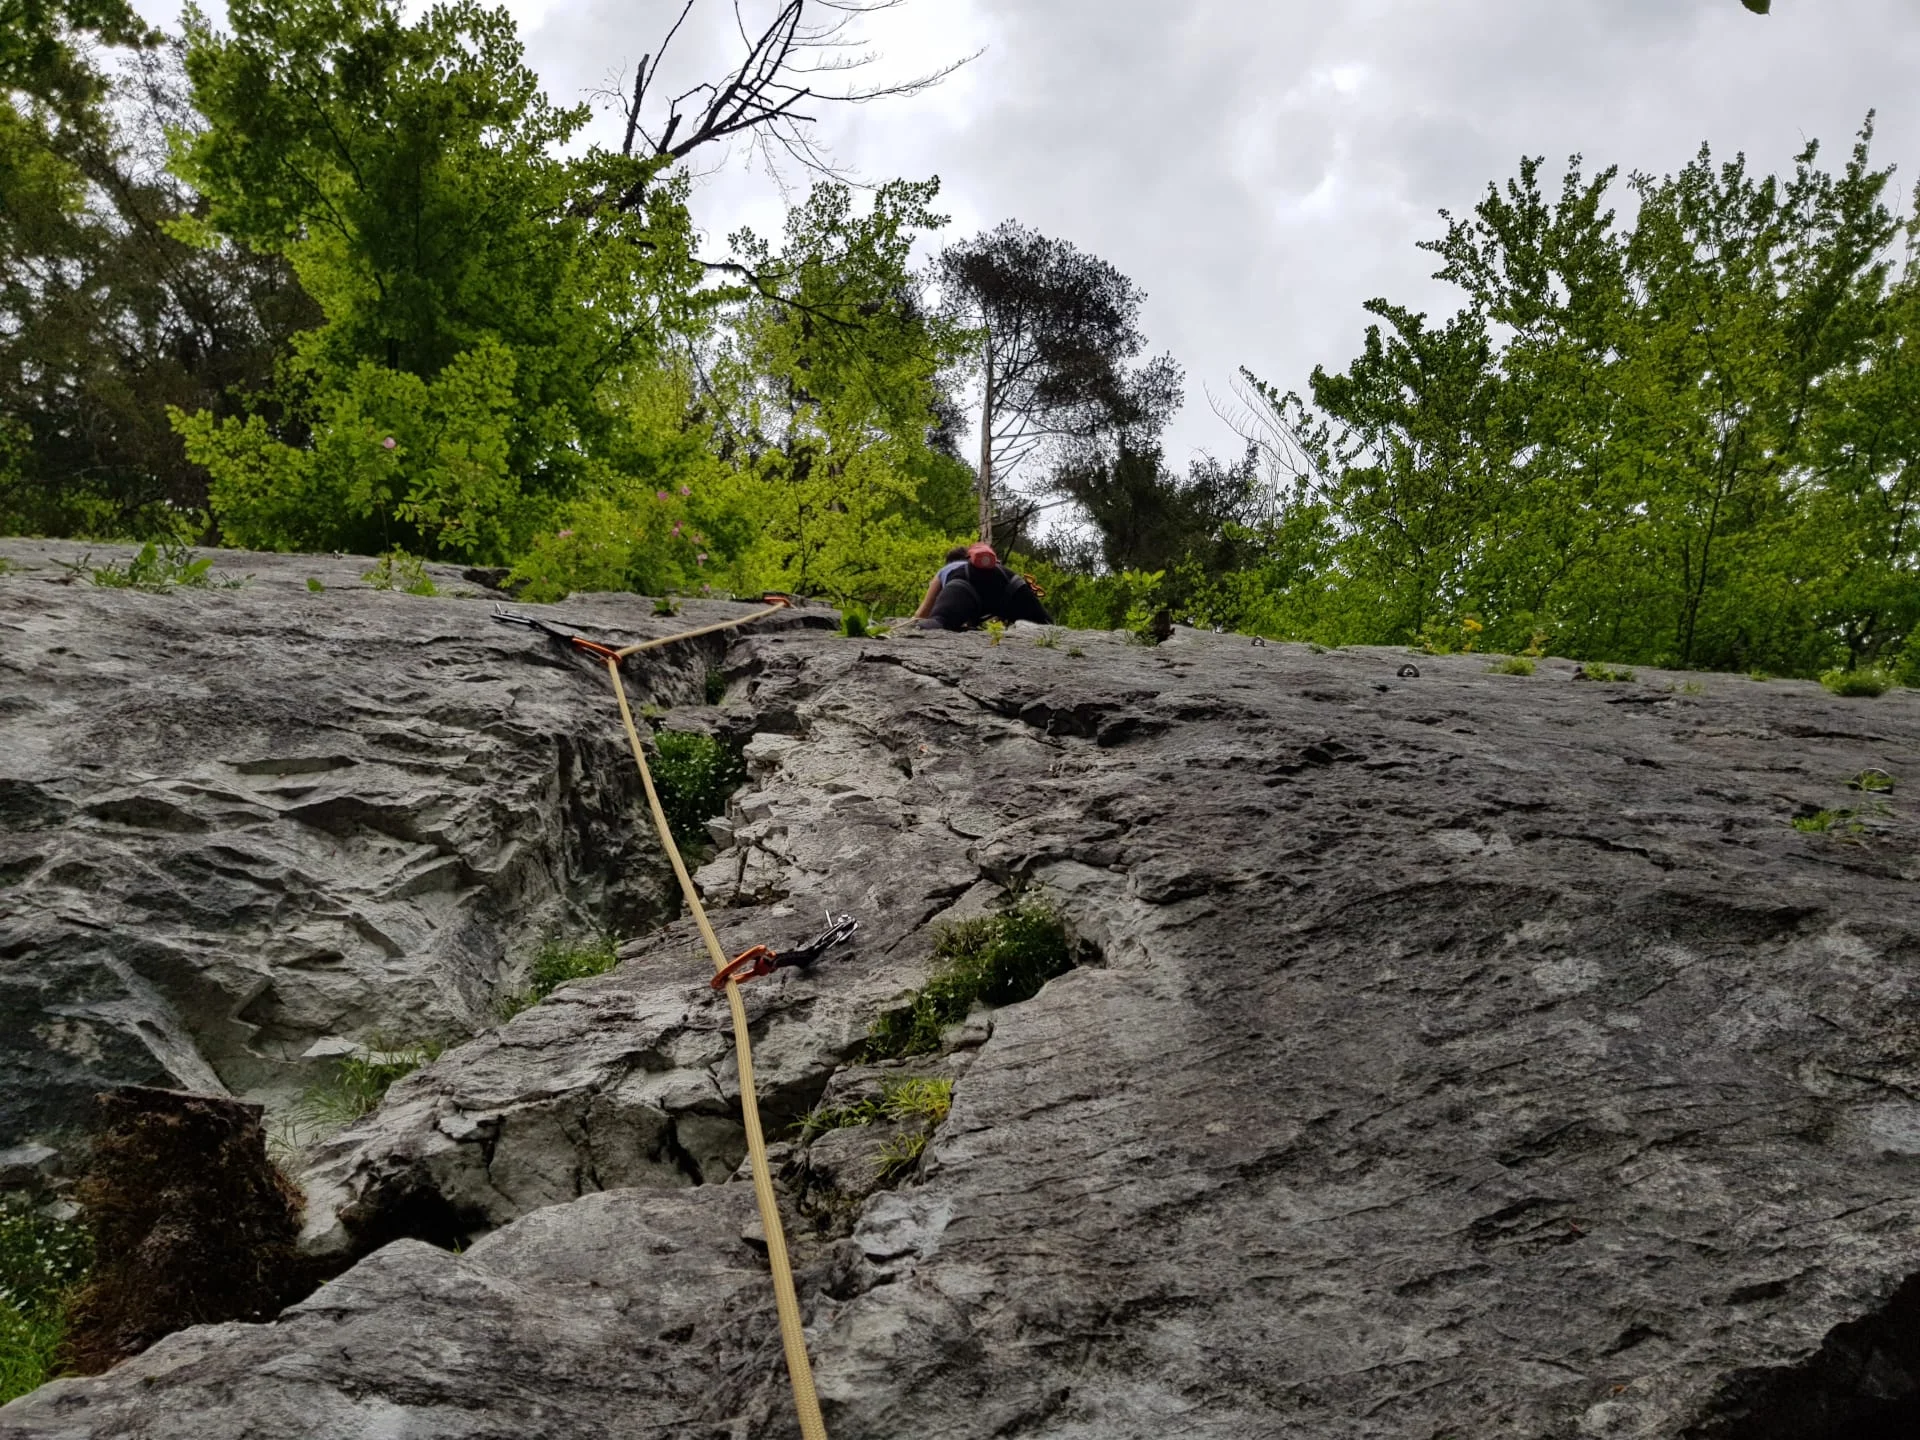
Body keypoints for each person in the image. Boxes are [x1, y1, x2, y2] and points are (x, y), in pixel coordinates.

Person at [915, 542, 1052, 631]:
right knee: (1045, 627)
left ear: (949, 561)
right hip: (1009, 584)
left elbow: (921, 614)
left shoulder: (948, 569)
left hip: (962, 586)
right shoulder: (993, 567)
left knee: (937, 624)